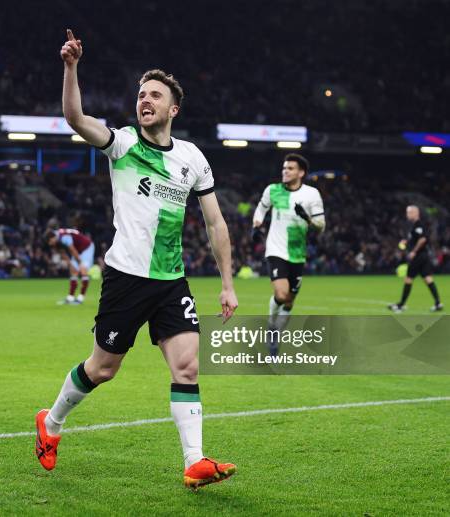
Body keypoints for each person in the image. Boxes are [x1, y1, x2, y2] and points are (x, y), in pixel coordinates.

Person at [35, 29, 239, 490]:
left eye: (155, 95)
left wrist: (227, 282)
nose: (144, 100)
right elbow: (75, 118)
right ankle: (51, 422)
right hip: (126, 277)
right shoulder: (123, 144)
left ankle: (195, 461)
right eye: (141, 94)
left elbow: (215, 223)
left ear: (173, 109)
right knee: (102, 369)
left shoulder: (192, 158)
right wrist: (71, 68)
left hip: (171, 280)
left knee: (187, 366)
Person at [252, 154, 325, 355]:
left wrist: (307, 218)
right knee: (281, 294)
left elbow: (321, 226)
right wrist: (257, 224)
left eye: (290, 168)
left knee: (290, 301)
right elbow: (261, 208)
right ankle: (270, 324)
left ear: (301, 173)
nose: (285, 171)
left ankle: (275, 338)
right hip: (276, 250)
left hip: (297, 253)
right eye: (284, 168)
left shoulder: (312, 195)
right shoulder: (273, 190)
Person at [388, 205, 443, 313]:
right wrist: (406, 242)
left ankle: (401, 305)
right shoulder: (414, 226)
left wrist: (413, 251)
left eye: (409, 212)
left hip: (418, 256)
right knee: (428, 278)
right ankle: (438, 303)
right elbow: (417, 239)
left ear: (415, 213)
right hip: (424, 256)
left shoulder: (418, 225)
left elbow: (422, 239)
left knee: (408, 279)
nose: (407, 214)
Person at [45, 228, 94, 304]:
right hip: (77, 250)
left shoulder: (64, 237)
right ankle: (70, 298)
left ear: (53, 237)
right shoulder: (57, 238)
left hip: (86, 248)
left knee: (83, 270)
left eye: (50, 241)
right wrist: (70, 265)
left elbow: (72, 250)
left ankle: (80, 299)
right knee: (73, 272)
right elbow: (62, 253)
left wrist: (80, 263)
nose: (50, 244)